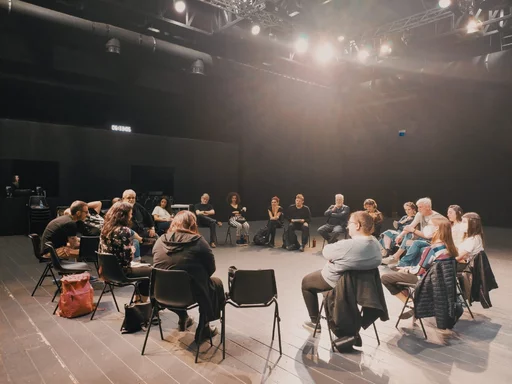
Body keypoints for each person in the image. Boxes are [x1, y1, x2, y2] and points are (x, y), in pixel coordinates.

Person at [301, 211, 382, 331]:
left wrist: (334, 261)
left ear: (358, 226)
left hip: (339, 284)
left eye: (350, 223)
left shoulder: (349, 245)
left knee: (306, 282)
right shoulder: (375, 242)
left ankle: (314, 322)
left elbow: (326, 252)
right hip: (363, 288)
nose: (348, 226)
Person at [152, 211, 224, 342]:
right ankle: (204, 327)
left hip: (162, 294)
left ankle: (182, 317)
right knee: (216, 283)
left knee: (174, 282)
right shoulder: (198, 241)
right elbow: (211, 269)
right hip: (190, 294)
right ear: (193, 224)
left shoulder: (159, 240)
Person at [381, 217, 457, 319]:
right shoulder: (449, 246)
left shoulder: (432, 248)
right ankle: (413, 301)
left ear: (437, 228)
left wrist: (406, 269)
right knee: (400, 275)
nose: (426, 227)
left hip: (425, 280)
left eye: (429, 225)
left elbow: (418, 271)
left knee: (385, 278)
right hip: (440, 281)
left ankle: (411, 303)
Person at [99, 202, 152, 301]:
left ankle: (138, 300)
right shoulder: (125, 231)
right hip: (122, 273)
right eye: (130, 214)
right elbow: (127, 260)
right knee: (151, 271)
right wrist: (131, 250)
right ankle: (142, 305)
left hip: (107, 272)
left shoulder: (105, 229)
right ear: (123, 215)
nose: (131, 216)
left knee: (144, 270)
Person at [384, 197, 444, 265]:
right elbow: (410, 226)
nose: (418, 209)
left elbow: (428, 236)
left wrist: (413, 230)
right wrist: (400, 235)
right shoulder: (419, 214)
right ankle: (394, 257)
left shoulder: (436, 218)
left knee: (411, 237)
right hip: (422, 237)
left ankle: (396, 258)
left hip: (432, 239)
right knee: (405, 236)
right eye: (418, 207)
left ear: (428, 207)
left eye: (420, 207)